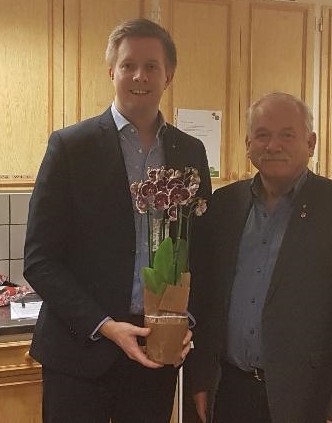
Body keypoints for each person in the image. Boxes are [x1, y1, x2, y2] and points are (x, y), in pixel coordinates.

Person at [24, 18, 211, 423]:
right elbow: (39, 260)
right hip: (78, 353)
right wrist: (105, 325)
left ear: (169, 75)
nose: (139, 76)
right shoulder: (70, 147)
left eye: (151, 66)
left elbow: (201, 252)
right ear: (112, 71)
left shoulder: (190, 152)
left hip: (155, 352)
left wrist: (186, 323)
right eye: (128, 65)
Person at [187, 92, 332, 423]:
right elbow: (207, 302)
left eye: (287, 135)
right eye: (262, 134)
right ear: (248, 144)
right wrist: (200, 379)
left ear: (311, 143)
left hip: (309, 400)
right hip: (230, 393)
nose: (273, 145)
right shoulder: (224, 205)